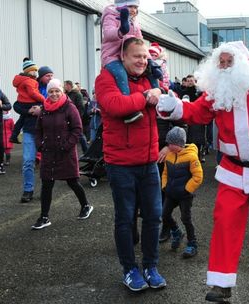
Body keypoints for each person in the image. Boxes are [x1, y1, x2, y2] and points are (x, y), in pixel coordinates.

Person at [157, 41, 249, 302]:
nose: (225, 67)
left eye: (230, 62)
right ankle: (221, 282)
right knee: (225, 220)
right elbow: (198, 112)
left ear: (242, 64)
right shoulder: (217, 91)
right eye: (221, 62)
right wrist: (174, 106)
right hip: (232, 169)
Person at [95, 37, 166, 292]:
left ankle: (151, 266)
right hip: (121, 164)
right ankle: (130, 270)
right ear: (123, 56)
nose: (142, 61)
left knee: (154, 217)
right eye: (137, 56)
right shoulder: (107, 78)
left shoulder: (151, 78)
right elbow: (115, 105)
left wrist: (160, 92)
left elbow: (167, 102)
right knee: (125, 219)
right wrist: (147, 96)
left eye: (145, 57)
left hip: (148, 162)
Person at [31, 79, 94, 230]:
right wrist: (40, 145)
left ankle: (85, 205)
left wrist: (66, 145)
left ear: (62, 91)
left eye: (57, 91)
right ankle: (44, 217)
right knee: (47, 184)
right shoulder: (44, 109)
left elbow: (77, 129)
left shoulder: (69, 108)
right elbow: (38, 130)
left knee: (72, 181)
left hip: (65, 152)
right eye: (51, 91)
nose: (54, 94)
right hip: (48, 153)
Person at [101, 0, 161, 124]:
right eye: (130, 6)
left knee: (151, 72)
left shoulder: (134, 21)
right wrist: (121, 31)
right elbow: (107, 34)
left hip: (129, 54)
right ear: (121, 6)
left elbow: (140, 41)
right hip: (113, 56)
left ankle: (160, 100)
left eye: (135, 7)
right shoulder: (111, 15)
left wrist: (150, 60)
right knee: (120, 74)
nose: (133, 10)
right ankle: (129, 110)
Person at [161, 126, 203, 258]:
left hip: (185, 195)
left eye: (171, 143)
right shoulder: (169, 155)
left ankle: (192, 243)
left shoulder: (191, 157)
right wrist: (165, 186)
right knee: (164, 214)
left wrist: (187, 189)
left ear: (179, 143)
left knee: (186, 218)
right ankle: (176, 231)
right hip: (171, 193)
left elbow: (198, 176)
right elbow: (165, 173)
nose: (168, 146)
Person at [12, 59, 45, 203]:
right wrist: (30, 111)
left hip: (46, 130)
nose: (49, 77)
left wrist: (42, 108)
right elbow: (16, 105)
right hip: (30, 130)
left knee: (48, 162)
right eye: (47, 75)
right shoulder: (31, 84)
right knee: (28, 161)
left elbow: (56, 104)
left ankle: (46, 189)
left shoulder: (50, 87)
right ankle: (28, 190)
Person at [10, 58, 45, 145]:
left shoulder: (21, 80)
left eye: (36, 70)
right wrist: (44, 99)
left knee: (21, 119)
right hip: (30, 102)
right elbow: (33, 93)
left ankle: (13, 135)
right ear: (27, 71)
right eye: (33, 70)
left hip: (22, 102)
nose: (35, 72)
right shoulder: (30, 81)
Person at [64, 80, 88, 153]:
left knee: (79, 134)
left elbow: (81, 107)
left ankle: (86, 151)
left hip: (75, 117)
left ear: (69, 85)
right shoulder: (66, 94)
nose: (64, 86)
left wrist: (78, 117)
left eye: (65, 85)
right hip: (67, 118)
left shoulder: (77, 94)